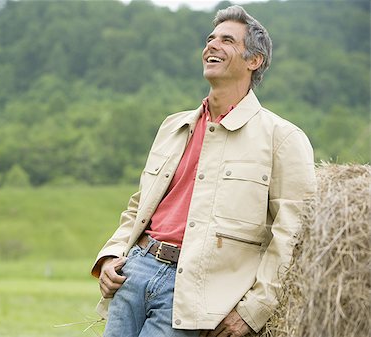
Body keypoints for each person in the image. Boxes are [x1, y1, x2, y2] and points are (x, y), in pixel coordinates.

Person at [91, 5, 316, 337]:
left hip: (195, 291)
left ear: (254, 61)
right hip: (134, 273)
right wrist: (112, 254)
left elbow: (291, 234)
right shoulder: (173, 126)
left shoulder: (283, 139)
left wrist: (255, 308)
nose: (212, 45)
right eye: (210, 38)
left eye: (227, 40)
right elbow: (140, 206)